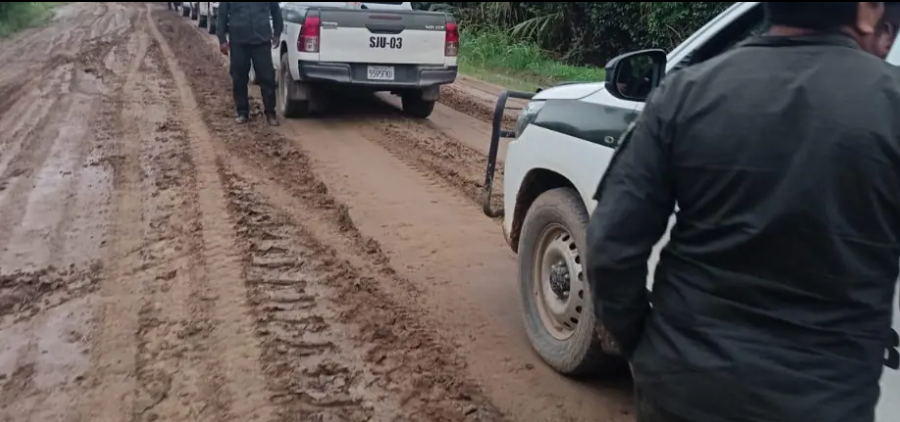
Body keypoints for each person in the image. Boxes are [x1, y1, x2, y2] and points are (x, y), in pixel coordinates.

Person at [586, 2, 900, 422]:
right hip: (828, 400)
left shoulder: (686, 93)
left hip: (683, 386)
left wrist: (646, 345)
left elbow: (610, 248)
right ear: (866, 13)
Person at [216, 2, 283, 126]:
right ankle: (242, 112)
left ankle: (270, 113)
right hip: (238, 41)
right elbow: (222, 14)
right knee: (239, 77)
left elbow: (275, 10)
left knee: (267, 77)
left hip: (261, 40)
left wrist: (277, 33)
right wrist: (222, 39)